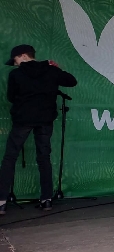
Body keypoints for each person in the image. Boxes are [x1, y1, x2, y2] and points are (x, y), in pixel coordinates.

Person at [0, 45, 77, 215]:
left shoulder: (16, 74)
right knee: (44, 158)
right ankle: (46, 199)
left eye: (15, 59)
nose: (15, 63)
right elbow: (72, 81)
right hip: (45, 120)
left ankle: (1, 201)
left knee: (10, 158)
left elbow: (11, 97)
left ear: (23, 56)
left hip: (23, 120)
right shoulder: (51, 70)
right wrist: (56, 68)